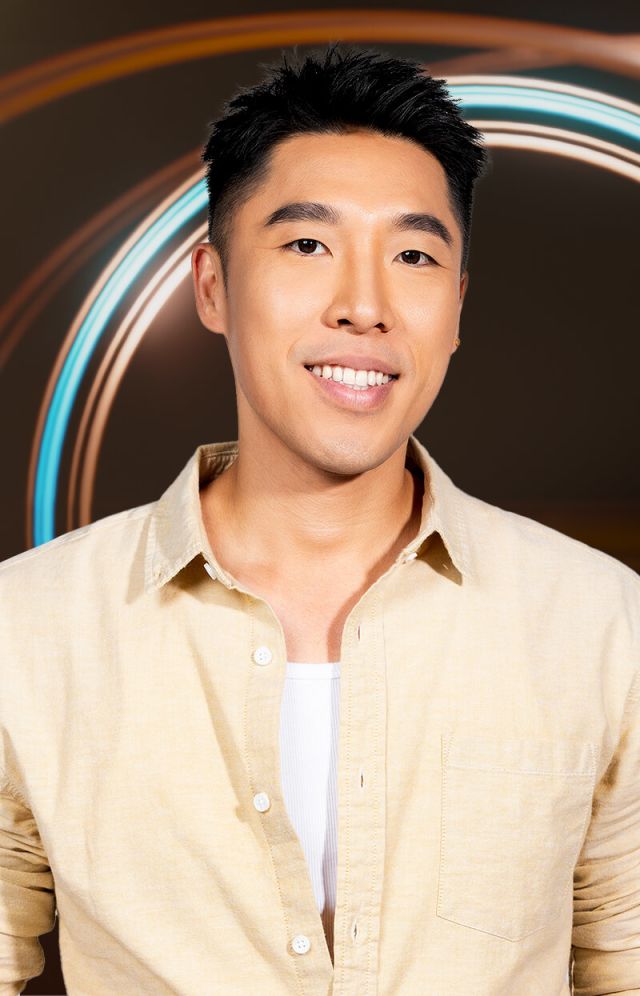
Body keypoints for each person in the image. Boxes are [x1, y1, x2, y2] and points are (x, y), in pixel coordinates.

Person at [0, 43, 638, 996]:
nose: (365, 307)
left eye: (414, 256)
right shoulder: (30, 628)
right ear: (212, 286)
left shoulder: (598, 623)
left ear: (457, 309)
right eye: (307, 245)